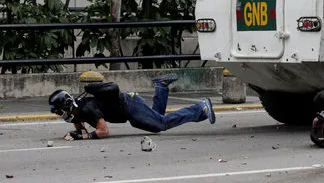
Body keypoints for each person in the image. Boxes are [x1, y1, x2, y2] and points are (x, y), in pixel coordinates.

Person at [48, 74, 215, 140]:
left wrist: (82, 138)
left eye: (60, 111)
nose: (60, 115)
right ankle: (161, 87)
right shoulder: (76, 112)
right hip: (129, 107)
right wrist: (78, 132)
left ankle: (200, 107)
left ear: (68, 105)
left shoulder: (87, 108)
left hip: (130, 106)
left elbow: (104, 131)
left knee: (161, 124)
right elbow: (80, 126)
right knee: (156, 119)